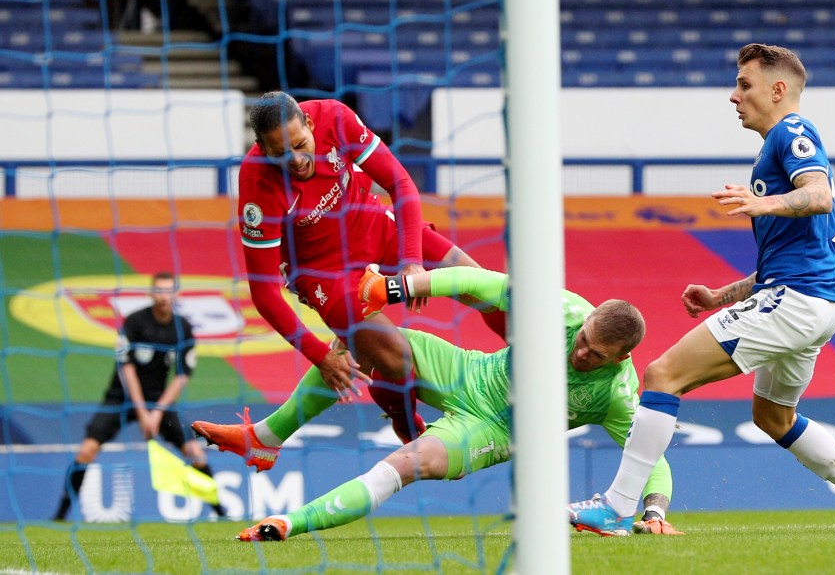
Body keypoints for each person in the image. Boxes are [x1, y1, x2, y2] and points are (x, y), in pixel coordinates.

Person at [567, 43, 835, 535]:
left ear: (778, 89)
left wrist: (763, 204)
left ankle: (616, 507)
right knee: (772, 415)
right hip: (814, 303)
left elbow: (819, 194)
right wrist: (722, 297)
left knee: (663, 374)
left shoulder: (792, 131)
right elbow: (787, 260)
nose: (734, 96)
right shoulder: (776, 147)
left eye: (744, 85)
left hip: (794, 303)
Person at [228, 264, 681, 541]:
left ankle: (289, 524)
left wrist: (655, 510)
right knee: (357, 341)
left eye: (595, 355)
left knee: (405, 465)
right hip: (468, 371)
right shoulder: (564, 310)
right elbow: (475, 281)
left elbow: (648, 457)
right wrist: (396, 287)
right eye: (583, 341)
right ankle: (265, 438)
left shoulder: (619, 392)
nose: (580, 353)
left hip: (492, 430)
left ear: (621, 357)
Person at [235, 91, 504, 447]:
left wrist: (411, 262)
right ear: (261, 147)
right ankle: (406, 427)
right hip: (323, 273)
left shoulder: (336, 118)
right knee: (396, 356)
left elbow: (400, 184)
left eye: (301, 144)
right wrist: (320, 357)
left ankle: (529, 373)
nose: (296, 159)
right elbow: (264, 292)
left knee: (480, 284)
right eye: (280, 153)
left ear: (311, 124)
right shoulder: (257, 186)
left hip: (374, 225)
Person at [53, 271, 225, 521]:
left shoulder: (183, 328)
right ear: (151, 293)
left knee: (194, 452)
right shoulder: (135, 322)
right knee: (87, 450)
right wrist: (143, 412)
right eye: (159, 291)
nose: (164, 297)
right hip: (120, 399)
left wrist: (156, 412)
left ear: (176, 294)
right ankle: (59, 515)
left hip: (159, 402)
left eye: (169, 291)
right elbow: (127, 368)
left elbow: (182, 376)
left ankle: (221, 513)